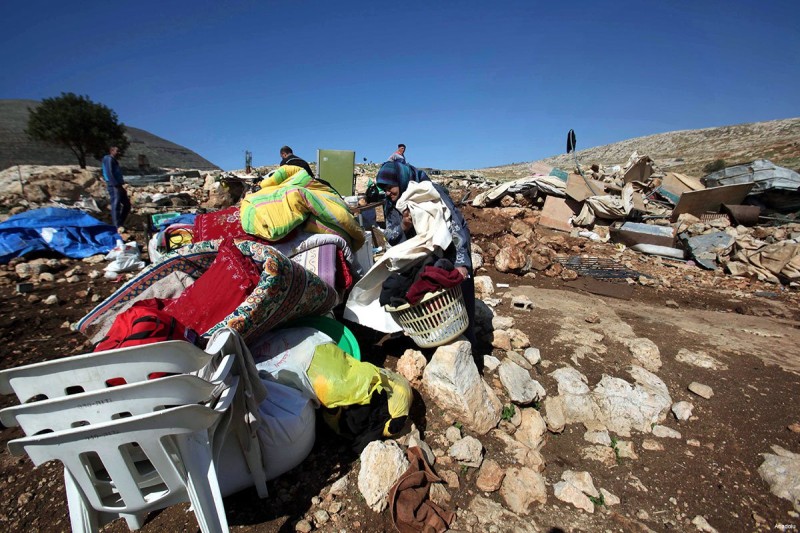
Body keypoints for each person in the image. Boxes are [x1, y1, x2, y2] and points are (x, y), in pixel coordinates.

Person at [375, 160, 478, 355]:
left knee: (461, 291)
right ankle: (434, 341)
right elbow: (391, 235)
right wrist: (404, 226)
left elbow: (453, 225)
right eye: (384, 189)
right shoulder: (391, 204)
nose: (387, 192)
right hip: (422, 250)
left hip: (452, 245)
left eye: (389, 187)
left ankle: (470, 349)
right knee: (428, 292)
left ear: (401, 179)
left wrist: (462, 263)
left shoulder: (429, 192)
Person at [102, 146, 130, 229]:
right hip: (114, 185)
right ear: (111, 151)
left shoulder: (114, 160)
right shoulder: (108, 159)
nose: (119, 153)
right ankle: (116, 225)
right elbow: (109, 173)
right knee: (116, 204)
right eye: (117, 151)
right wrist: (115, 184)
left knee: (127, 204)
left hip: (118, 185)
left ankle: (120, 222)